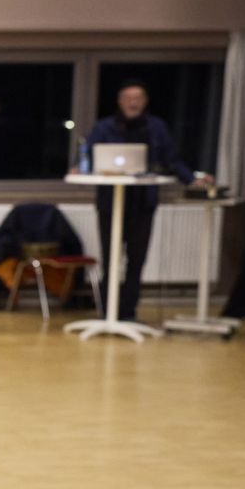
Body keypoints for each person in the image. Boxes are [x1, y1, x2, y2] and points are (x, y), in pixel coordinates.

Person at [77, 79, 207, 321]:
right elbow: (90, 159)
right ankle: (107, 313)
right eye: (128, 98)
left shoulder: (156, 128)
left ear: (145, 101)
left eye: (137, 98)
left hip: (143, 203)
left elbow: (171, 160)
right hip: (110, 203)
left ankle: (128, 312)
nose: (133, 103)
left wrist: (191, 179)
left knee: (136, 260)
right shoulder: (104, 128)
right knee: (111, 259)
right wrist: (79, 168)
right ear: (120, 101)